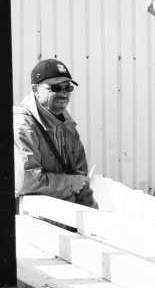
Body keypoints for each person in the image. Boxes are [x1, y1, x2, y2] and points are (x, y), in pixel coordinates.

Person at [14, 58, 96, 209]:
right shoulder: (22, 125)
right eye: (56, 88)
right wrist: (70, 183)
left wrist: (94, 222)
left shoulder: (68, 127)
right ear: (35, 90)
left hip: (67, 220)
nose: (64, 93)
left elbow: (82, 181)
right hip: (34, 223)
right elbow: (27, 182)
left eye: (68, 87)